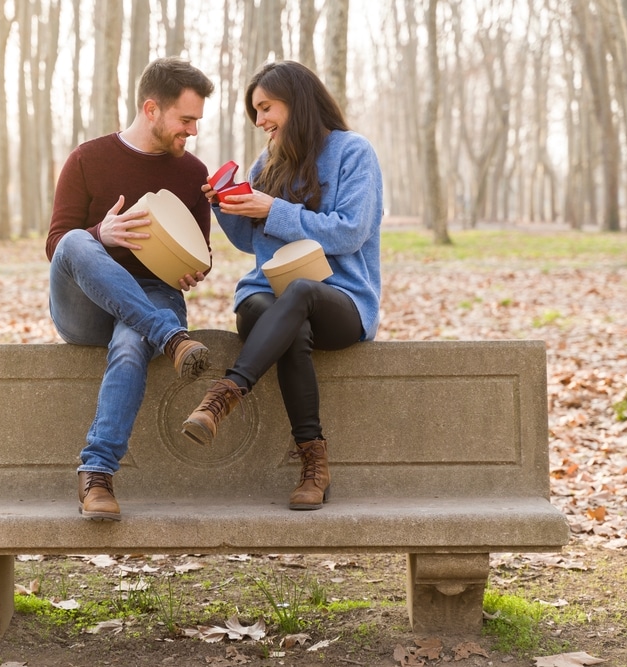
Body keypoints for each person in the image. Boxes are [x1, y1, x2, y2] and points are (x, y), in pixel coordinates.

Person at [182, 60, 383, 511]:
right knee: (275, 312)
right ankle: (314, 463)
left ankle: (223, 396)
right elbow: (253, 242)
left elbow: (351, 231)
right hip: (270, 295)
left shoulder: (354, 152)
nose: (261, 122)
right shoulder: (267, 161)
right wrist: (225, 206)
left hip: (341, 299)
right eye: (256, 112)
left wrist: (272, 208)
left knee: (300, 295)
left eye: (267, 107)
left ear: (299, 101)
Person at [47, 57, 215, 521]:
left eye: (196, 121)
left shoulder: (191, 171)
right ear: (151, 109)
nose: (193, 130)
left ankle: (96, 474)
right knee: (80, 240)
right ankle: (171, 337)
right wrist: (105, 234)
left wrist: (194, 268)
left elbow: (202, 251)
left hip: (153, 295)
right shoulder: (87, 158)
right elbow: (56, 244)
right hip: (84, 304)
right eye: (186, 120)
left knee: (128, 345)